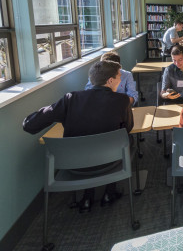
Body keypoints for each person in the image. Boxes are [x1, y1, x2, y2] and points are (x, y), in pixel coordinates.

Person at [23, 60, 134, 213]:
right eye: (119, 77)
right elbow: (127, 129)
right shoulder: (122, 101)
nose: (121, 79)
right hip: (110, 162)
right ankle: (109, 192)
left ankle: (87, 197)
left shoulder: (70, 99)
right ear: (110, 81)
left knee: (89, 148)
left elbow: (29, 125)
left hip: (74, 166)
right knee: (125, 140)